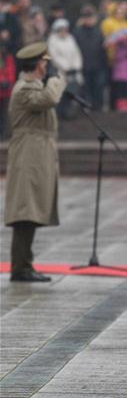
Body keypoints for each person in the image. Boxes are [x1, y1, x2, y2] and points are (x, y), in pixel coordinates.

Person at [4, 42, 66, 282]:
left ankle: (24, 264)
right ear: (37, 64)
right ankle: (20, 267)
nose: (46, 67)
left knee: (31, 210)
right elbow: (49, 98)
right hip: (28, 153)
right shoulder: (24, 89)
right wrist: (55, 81)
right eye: (44, 62)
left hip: (38, 152)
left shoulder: (33, 87)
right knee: (25, 210)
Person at [47, 18, 83, 119]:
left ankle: (70, 113)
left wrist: (76, 66)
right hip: (60, 71)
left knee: (73, 92)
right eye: (61, 29)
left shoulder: (70, 38)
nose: (64, 31)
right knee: (60, 94)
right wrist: (66, 67)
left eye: (65, 29)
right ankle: (59, 113)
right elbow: (54, 56)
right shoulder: (52, 40)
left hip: (73, 71)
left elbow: (77, 53)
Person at [73, 5, 108, 110]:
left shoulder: (99, 30)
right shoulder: (77, 31)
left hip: (98, 64)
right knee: (85, 87)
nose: (89, 20)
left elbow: (103, 47)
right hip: (83, 64)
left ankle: (98, 106)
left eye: (90, 17)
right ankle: (85, 106)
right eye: (86, 17)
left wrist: (104, 62)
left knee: (98, 86)